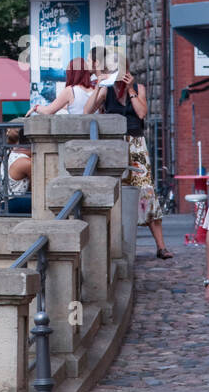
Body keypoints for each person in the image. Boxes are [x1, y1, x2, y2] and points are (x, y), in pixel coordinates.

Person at [85, 57, 171, 259]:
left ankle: (161, 246)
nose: (116, 73)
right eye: (112, 69)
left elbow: (141, 114)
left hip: (136, 144)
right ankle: (116, 246)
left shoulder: (138, 88)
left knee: (146, 190)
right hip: (113, 145)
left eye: (119, 69)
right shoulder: (106, 90)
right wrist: (99, 85)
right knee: (115, 191)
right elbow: (87, 111)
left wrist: (131, 89)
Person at [29, 56, 98, 116]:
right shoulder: (95, 90)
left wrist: (35, 107)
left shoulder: (70, 91)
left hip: (78, 129)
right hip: (95, 129)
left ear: (70, 73)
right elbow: (79, 105)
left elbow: (48, 111)